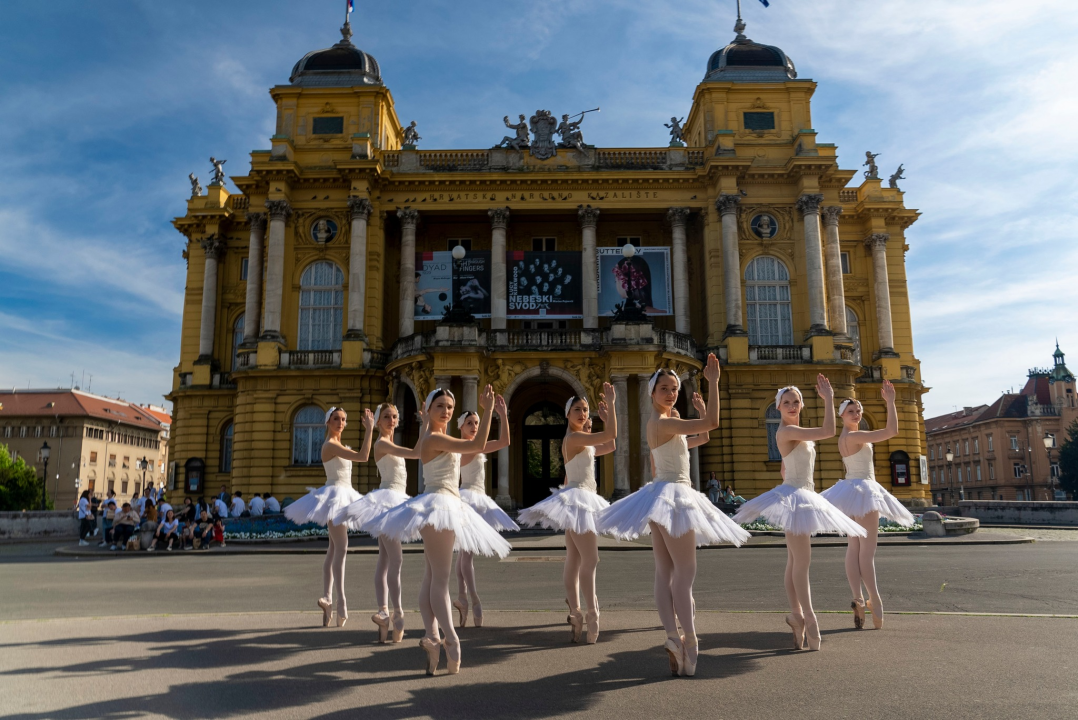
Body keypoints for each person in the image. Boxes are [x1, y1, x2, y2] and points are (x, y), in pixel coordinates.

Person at [598, 355, 749, 677]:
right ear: (651, 393)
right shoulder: (665, 423)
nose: (671, 393)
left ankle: (671, 636)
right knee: (685, 572)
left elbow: (703, 436)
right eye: (664, 388)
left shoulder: (660, 425)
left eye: (674, 389)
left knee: (664, 572)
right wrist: (714, 383)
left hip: (659, 497)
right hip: (675, 497)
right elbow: (712, 426)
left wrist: (703, 410)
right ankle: (690, 642)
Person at [366, 387, 512, 676]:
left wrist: (498, 414)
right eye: (440, 406)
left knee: (432, 577)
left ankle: (433, 636)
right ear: (429, 410)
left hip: (446, 504)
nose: (446, 410)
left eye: (449, 406)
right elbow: (478, 442)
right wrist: (484, 412)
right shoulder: (434, 438)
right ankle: (451, 640)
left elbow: (491, 443)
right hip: (439, 506)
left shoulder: (437, 437)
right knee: (440, 581)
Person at [733, 377, 868, 652]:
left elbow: (788, 466)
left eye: (796, 402)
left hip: (800, 494)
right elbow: (829, 430)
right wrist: (829, 398)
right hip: (795, 498)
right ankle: (809, 618)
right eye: (787, 403)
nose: (792, 406)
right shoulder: (786, 431)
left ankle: (796, 615)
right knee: (802, 562)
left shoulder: (791, 432)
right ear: (778, 407)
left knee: (795, 560)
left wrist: (787, 471)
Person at [520, 386, 618, 644]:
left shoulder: (580, 440)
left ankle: (575, 612)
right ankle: (592, 612)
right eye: (578, 409)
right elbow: (611, 434)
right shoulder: (574, 439)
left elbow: (610, 444)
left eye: (586, 410)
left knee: (574, 559)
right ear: (567, 414)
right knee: (591, 559)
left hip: (578, 498)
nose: (583, 413)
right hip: (579, 500)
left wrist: (606, 418)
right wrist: (612, 405)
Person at [820, 381, 914, 630]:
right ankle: (875, 600)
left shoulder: (843, 437)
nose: (857, 413)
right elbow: (891, 431)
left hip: (849, 490)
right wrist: (891, 402)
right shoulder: (855, 435)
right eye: (851, 410)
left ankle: (858, 598)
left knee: (854, 548)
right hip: (863, 490)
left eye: (859, 409)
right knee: (867, 551)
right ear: (842, 415)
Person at [285, 407, 374, 629]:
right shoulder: (331, 445)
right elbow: (363, 457)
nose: (341, 422)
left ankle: (327, 599)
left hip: (342, 493)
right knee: (341, 548)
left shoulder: (337, 445)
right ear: (328, 422)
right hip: (335, 495)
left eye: (344, 419)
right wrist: (370, 430)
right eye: (336, 419)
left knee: (334, 549)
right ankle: (341, 601)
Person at [340, 404, 419, 644]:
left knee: (385, 560)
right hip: (387, 501)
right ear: (378, 421)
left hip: (393, 499)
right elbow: (415, 453)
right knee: (396, 559)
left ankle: (385, 613)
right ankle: (396, 613)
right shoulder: (382, 443)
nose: (392, 420)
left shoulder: (388, 442)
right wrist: (427, 426)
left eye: (395, 416)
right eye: (387, 416)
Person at [453, 401, 516, 629]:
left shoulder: (473, 445)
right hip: (469, 499)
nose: (474, 426)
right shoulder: (465, 446)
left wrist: (503, 416)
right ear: (461, 427)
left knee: (462, 557)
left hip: (476, 498)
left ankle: (462, 598)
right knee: (466, 556)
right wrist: (492, 413)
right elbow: (499, 442)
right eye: (469, 423)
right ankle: (475, 601)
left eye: (477, 423)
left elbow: (505, 442)